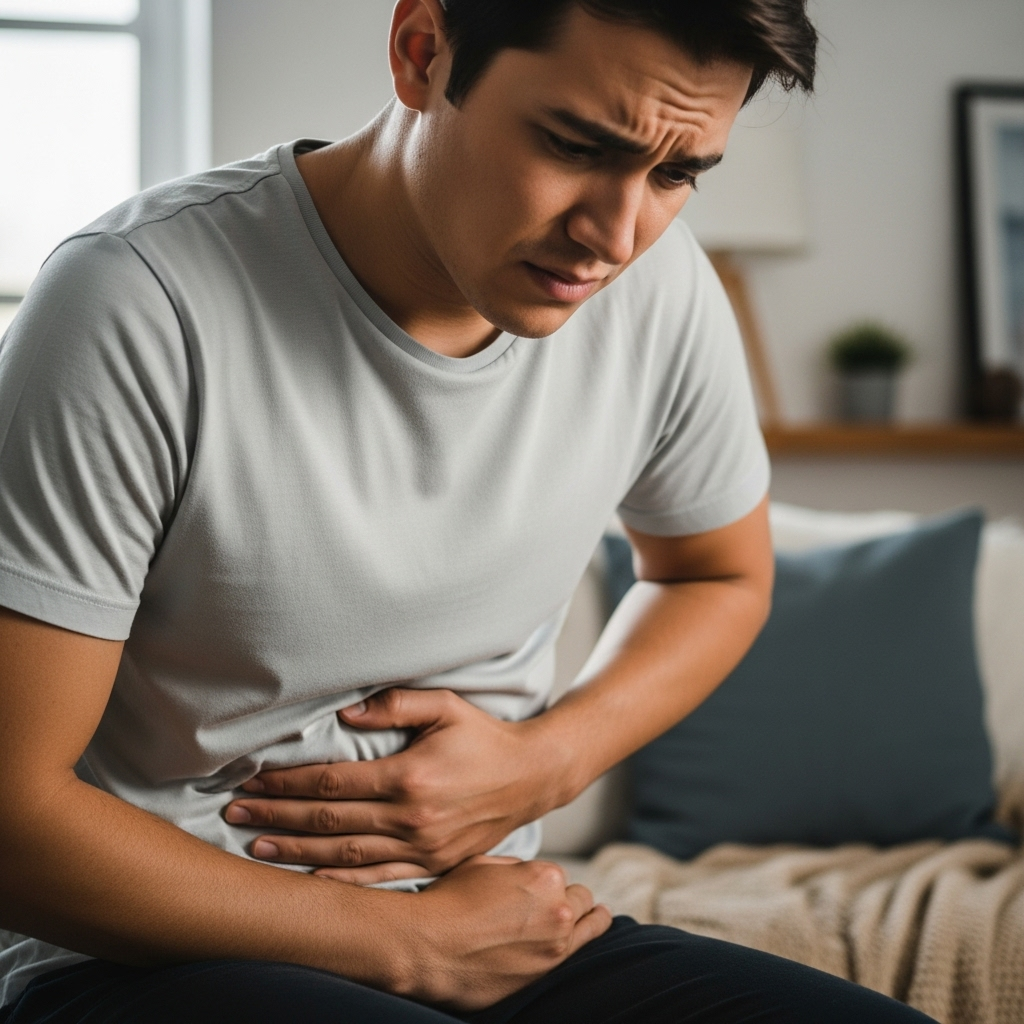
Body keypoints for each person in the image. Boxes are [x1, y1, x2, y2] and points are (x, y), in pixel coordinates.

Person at [0, 1, 936, 1021]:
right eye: (576, 144)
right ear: (421, 52)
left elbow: (716, 572)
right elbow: (13, 813)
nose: (614, 236)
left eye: (674, 175)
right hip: (148, 957)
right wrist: (400, 942)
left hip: (496, 931)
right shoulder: (134, 303)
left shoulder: (658, 292)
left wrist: (547, 761)